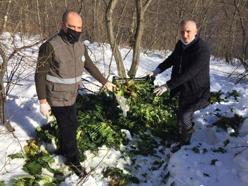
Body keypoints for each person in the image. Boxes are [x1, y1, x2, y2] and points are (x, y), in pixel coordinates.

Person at [35, 10, 116, 177]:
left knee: (69, 126)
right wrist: (42, 100)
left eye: (79, 28)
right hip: (56, 96)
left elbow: (90, 66)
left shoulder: (80, 46)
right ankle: (73, 160)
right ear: (63, 25)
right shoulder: (50, 46)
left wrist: (104, 82)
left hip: (72, 95)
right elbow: (40, 74)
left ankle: (64, 149)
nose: (76, 31)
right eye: (72, 27)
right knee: (70, 128)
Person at [149, 20, 210, 151]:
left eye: (188, 31)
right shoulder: (180, 45)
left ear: (195, 32)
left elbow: (190, 72)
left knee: (185, 115)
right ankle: (179, 136)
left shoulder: (202, 49)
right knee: (180, 115)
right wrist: (157, 70)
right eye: (182, 32)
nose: (185, 35)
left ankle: (185, 144)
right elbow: (172, 59)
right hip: (183, 89)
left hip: (198, 91)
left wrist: (167, 86)